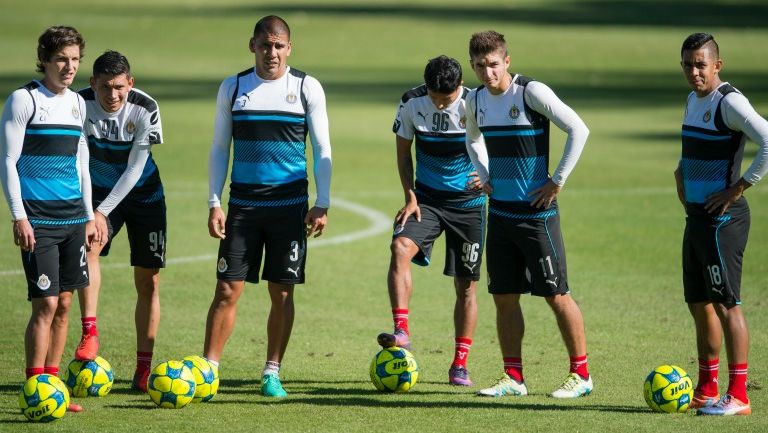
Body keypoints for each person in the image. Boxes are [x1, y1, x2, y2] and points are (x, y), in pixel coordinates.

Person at [204, 15, 332, 398]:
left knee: (282, 292)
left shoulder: (307, 87)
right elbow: (218, 148)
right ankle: (209, 370)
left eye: (278, 45)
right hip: (242, 206)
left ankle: (271, 371)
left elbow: (322, 148)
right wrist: (214, 201)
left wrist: (321, 202)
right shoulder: (234, 87)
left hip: (289, 207)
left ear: (289, 48)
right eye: (265, 44)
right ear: (252, 45)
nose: (271, 52)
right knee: (227, 289)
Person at [464, 31, 592, 398]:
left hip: (537, 216)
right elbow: (471, 139)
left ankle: (581, 375)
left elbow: (578, 129)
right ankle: (514, 378)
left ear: (506, 61)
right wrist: (485, 174)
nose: (487, 72)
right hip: (500, 214)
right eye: (479, 65)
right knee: (504, 297)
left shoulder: (530, 92)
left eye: (493, 64)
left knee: (557, 295)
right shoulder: (474, 101)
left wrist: (557, 181)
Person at [0, 25, 98, 413]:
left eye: (75, 59)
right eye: (62, 59)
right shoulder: (24, 100)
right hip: (38, 221)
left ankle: (53, 386)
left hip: (73, 218)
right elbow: (8, 161)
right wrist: (19, 216)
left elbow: (82, 162)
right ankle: (33, 386)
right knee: (45, 304)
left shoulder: (77, 103)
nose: (69, 66)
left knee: (65, 304)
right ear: (44, 58)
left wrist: (89, 216)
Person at [675, 33, 768, 416]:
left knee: (728, 305)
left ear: (717, 65)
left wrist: (739, 187)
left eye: (700, 64)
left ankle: (740, 395)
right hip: (696, 219)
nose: (694, 72)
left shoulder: (729, 102)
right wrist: (681, 173)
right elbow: (693, 149)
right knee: (700, 304)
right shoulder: (692, 100)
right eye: (687, 64)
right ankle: (707, 388)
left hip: (721, 222)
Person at [377, 55, 484, 386]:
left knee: (465, 286)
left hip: (469, 205)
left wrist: (488, 174)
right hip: (427, 202)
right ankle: (402, 330)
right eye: (435, 97)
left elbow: (500, 143)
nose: (440, 104)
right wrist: (410, 195)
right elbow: (402, 154)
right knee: (399, 247)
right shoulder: (411, 102)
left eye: (447, 98)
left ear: (459, 87)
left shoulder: (476, 102)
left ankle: (459, 364)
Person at [75, 50, 166, 392]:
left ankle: (143, 369)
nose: (112, 96)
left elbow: (135, 168)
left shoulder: (146, 108)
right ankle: (90, 332)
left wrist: (102, 212)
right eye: (104, 88)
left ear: (130, 83)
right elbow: (79, 163)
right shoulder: (78, 105)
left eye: (118, 87)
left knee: (149, 282)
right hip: (95, 192)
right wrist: (91, 213)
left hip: (144, 197)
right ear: (92, 84)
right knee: (89, 248)